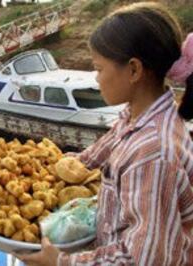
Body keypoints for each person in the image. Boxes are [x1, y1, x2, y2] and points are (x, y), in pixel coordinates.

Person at [16, 2, 193, 265]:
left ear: (134, 70)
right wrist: (44, 165)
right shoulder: (136, 116)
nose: (95, 78)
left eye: (99, 68)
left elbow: (144, 258)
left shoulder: (153, 153)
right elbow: (94, 156)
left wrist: (61, 263)